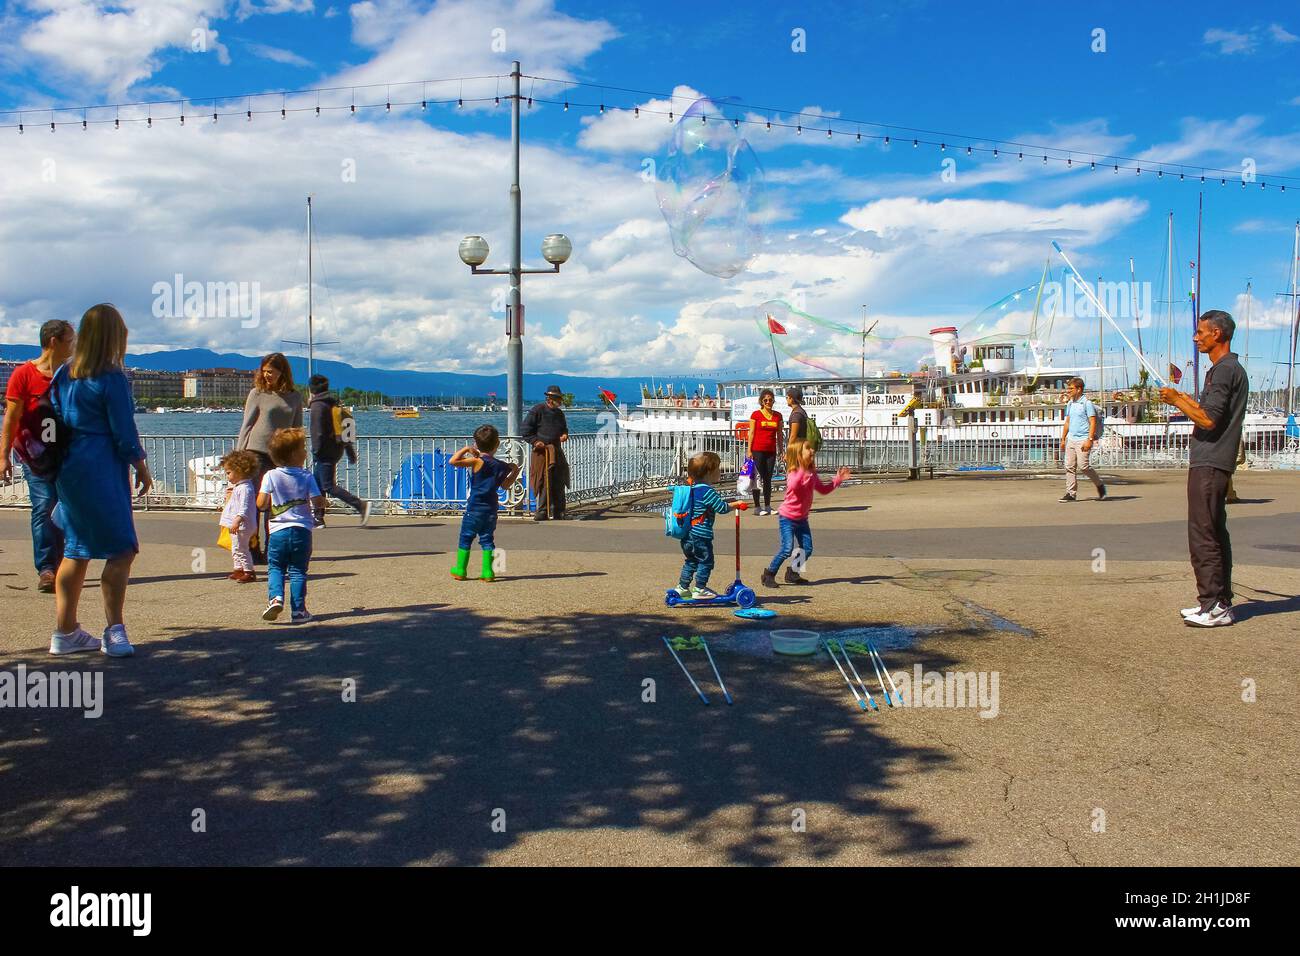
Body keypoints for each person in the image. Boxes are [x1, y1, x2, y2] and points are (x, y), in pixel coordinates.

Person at [47, 304, 152, 657]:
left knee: (76, 550)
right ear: (115, 336)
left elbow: (56, 419)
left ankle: (64, 631)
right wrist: (140, 465)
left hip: (70, 465)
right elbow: (123, 431)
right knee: (121, 549)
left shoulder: (64, 374)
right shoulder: (111, 376)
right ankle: (115, 629)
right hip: (102, 465)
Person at [1160, 310, 1249, 628]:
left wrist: (1175, 400)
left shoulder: (1224, 370)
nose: (1196, 337)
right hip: (1214, 460)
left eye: (1201, 332)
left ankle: (1213, 604)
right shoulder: (1225, 370)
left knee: (1203, 533)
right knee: (1213, 530)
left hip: (1210, 460)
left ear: (1218, 335)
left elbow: (1208, 420)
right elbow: (1209, 410)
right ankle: (1219, 601)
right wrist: (1181, 399)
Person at [0, 319, 75, 592]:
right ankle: (46, 568)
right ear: (54, 342)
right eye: (70, 340)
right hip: (34, 457)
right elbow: (11, 418)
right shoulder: (23, 375)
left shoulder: (72, 375)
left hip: (68, 456)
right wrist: (3, 456)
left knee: (67, 509)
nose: (74, 345)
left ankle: (66, 563)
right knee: (44, 507)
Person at [256, 427, 325, 624]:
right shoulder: (306, 476)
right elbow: (317, 501)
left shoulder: (270, 476)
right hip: (301, 531)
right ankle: (298, 610)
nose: (306, 451)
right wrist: (323, 503)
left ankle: (275, 598)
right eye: (303, 448)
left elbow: (261, 504)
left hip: (277, 531)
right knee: (298, 571)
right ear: (295, 454)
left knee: (275, 567)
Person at [237, 353, 303, 556]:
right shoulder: (257, 393)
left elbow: (297, 429)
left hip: (281, 457)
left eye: (271, 372)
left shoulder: (294, 396)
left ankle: (273, 550)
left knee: (277, 505)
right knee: (255, 504)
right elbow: (246, 425)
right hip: (255, 453)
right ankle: (252, 549)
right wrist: (238, 458)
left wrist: (299, 456)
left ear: (282, 372)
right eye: (264, 371)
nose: (267, 375)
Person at [761, 439, 850, 588]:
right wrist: (801, 468)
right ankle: (769, 574)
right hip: (787, 517)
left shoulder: (811, 473)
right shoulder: (794, 472)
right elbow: (794, 486)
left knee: (807, 549)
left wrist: (837, 480)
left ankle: (793, 573)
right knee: (787, 549)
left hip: (802, 519)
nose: (812, 451)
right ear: (798, 455)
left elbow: (823, 490)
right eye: (808, 449)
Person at [448, 424, 520, 582]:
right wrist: (515, 471)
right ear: (497, 444)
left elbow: (453, 461)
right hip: (491, 510)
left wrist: (467, 449)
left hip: (474, 508)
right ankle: (488, 572)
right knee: (487, 539)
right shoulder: (502, 466)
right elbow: (506, 485)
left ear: (476, 443)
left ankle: (460, 569)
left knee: (466, 538)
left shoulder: (476, 461)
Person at [307, 374, 370, 527]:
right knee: (316, 484)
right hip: (336, 449)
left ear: (311, 389)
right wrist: (349, 451)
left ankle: (360, 505)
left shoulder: (317, 406)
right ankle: (318, 517)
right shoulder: (332, 405)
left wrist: (315, 451)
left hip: (323, 452)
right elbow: (343, 430)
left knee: (328, 486)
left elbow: (318, 432)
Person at [671, 451, 732, 600]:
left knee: (691, 561)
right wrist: (736, 505)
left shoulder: (690, 489)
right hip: (701, 534)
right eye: (718, 469)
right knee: (706, 560)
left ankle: (682, 587)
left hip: (687, 533)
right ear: (709, 473)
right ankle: (700, 588)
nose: (720, 471)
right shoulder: (708, 491)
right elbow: (722, 508)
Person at [521, 384, 569, 520]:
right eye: (557, 399)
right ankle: (542, 511)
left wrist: (565, 434)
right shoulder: (537, 410)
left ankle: (559, 511)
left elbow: (564, 428)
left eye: (560, 399)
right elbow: (525, 430)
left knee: (559, 480)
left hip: (556, 450)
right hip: (541, 452)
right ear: (550, 399)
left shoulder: (559, 413)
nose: (560, 401)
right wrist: (535, 441)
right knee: (544, 481)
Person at [1058, 377, 1107, 502]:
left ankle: (1100, 485)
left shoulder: (1087, 403)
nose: (1068, 391)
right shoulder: (1070, 403)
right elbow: (1067, 422)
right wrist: (1063, 439)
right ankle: (1071, 493)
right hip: (1071, 439)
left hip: (1083, 439)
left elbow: (1092, 421)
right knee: (1069, 466)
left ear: (1079, 389)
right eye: (1068, 388)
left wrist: (1089, 439)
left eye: (1071, 388)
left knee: (1084, 466)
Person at [218, 450, 260, 583]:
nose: (228, 476)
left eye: (229, 473)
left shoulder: (245, 488)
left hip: (242, 525)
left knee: (241, 548)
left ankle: (248, 570)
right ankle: (238, 569)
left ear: (240, 471)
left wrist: (237, 519)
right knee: (235, 547)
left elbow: (244, 507)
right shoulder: (240, 486)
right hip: (236, 524)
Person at [746, 388, 783, 515]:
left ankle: (767, 506)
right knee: (758, 478)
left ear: (773, 401)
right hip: (757, 450)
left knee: (768, 478)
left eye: (770, 400)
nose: (768, 402)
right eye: (765, 400)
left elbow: (780, 434)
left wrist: (781, 450)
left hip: (771, 451)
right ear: (761, 401)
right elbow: (751, 433)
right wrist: (749, 449)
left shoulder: (778, 416)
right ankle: (757, 507)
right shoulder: (755, 415)